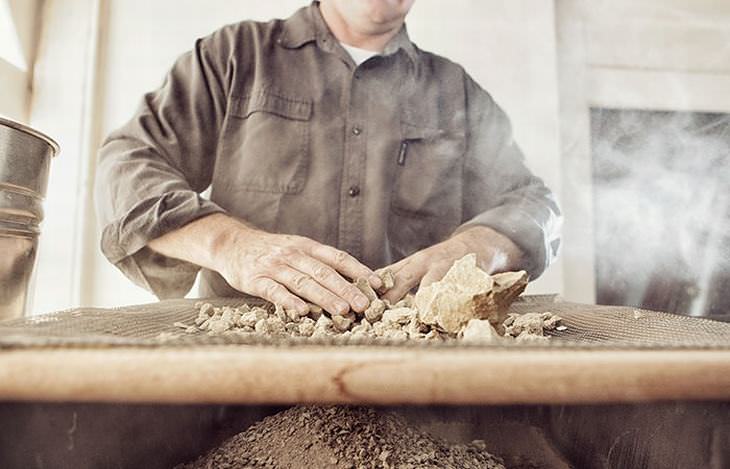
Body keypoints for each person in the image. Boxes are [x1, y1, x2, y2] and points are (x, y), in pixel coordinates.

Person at [94, 0, 560, 316]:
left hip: (414, 379)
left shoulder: (455, 90)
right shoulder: (233, 57)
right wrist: (231, 245)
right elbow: (128, 164)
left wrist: (475, 247)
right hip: (242, 373)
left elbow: (536, 203)